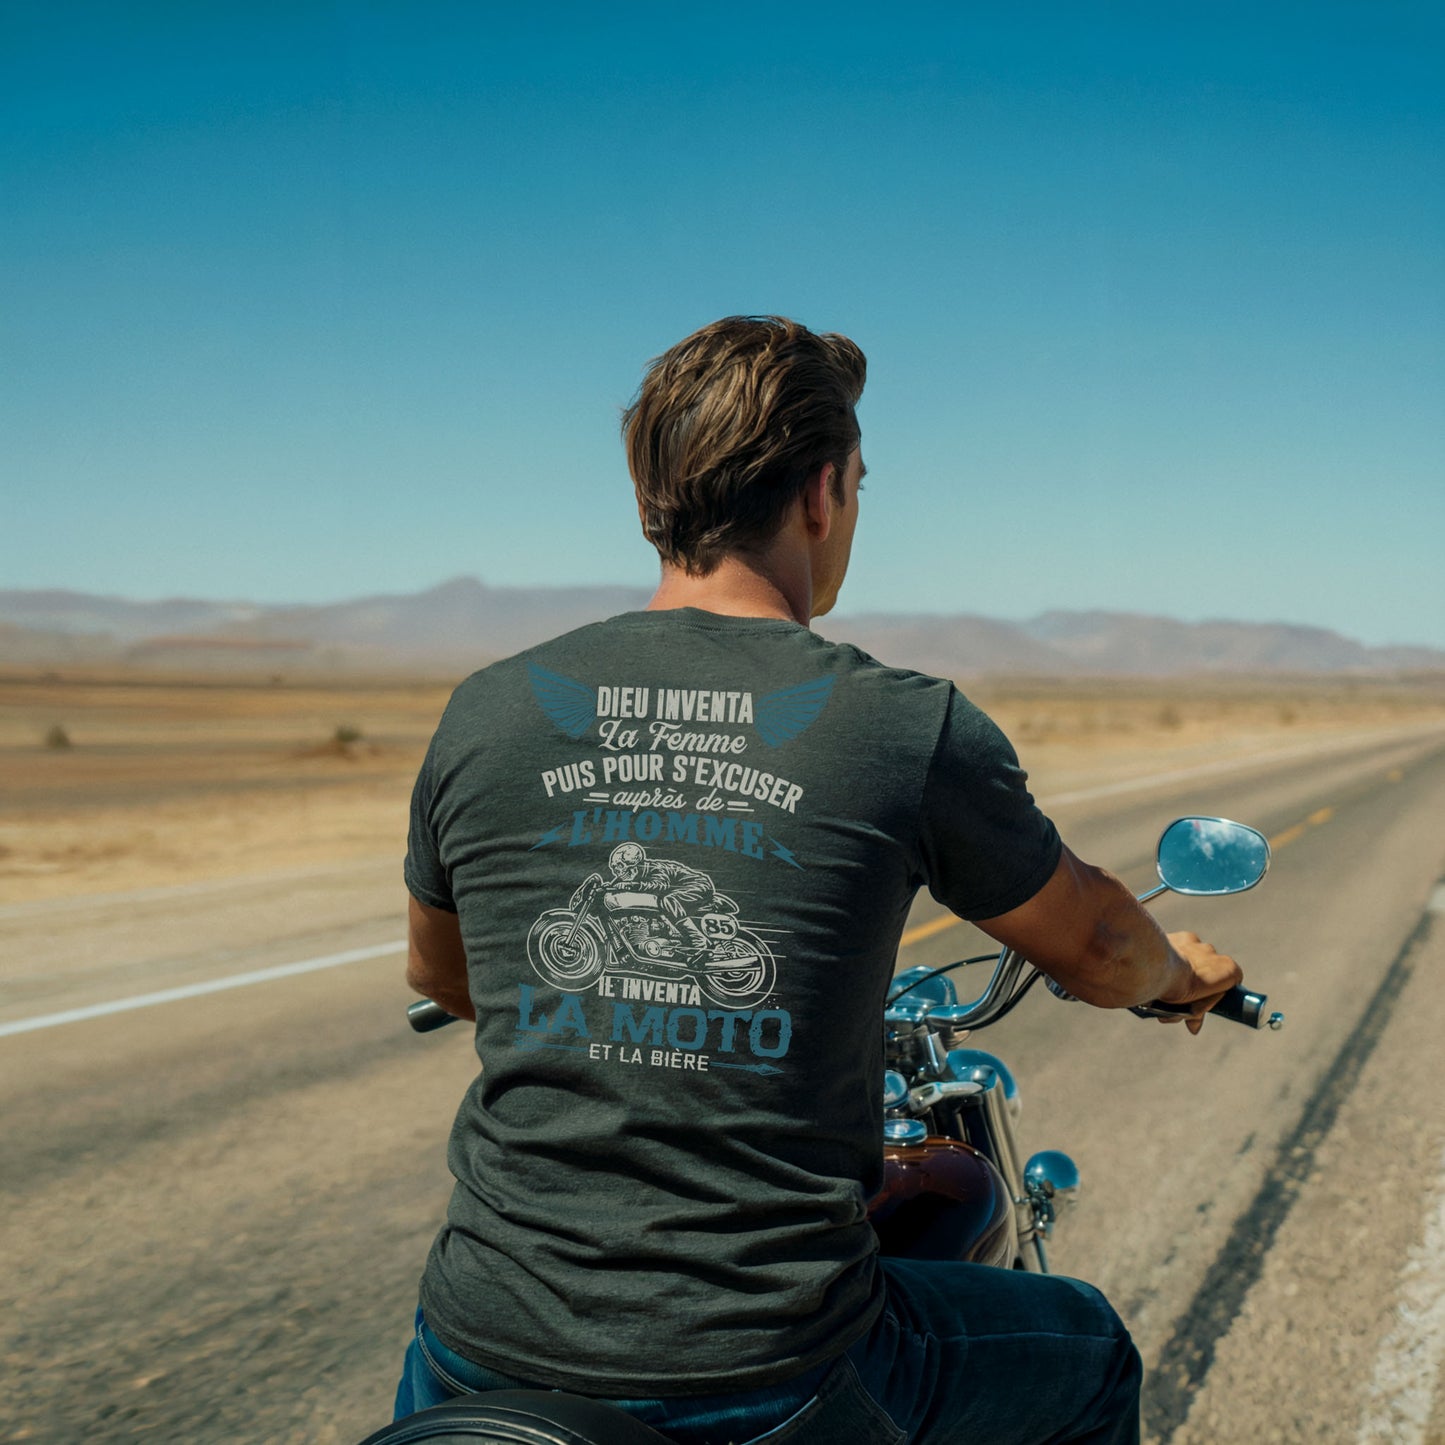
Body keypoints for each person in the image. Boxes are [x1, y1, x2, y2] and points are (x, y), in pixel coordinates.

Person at [394, 316, 1243, 1444]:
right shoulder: (901, 722)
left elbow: (445, 975)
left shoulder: (488, 705)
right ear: (821, 490)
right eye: (856, 480)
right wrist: (1173, 972)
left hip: (471, 1352)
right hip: (761, 1368)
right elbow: (1093, 944)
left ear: (653, 495)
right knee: (1087, 1347)